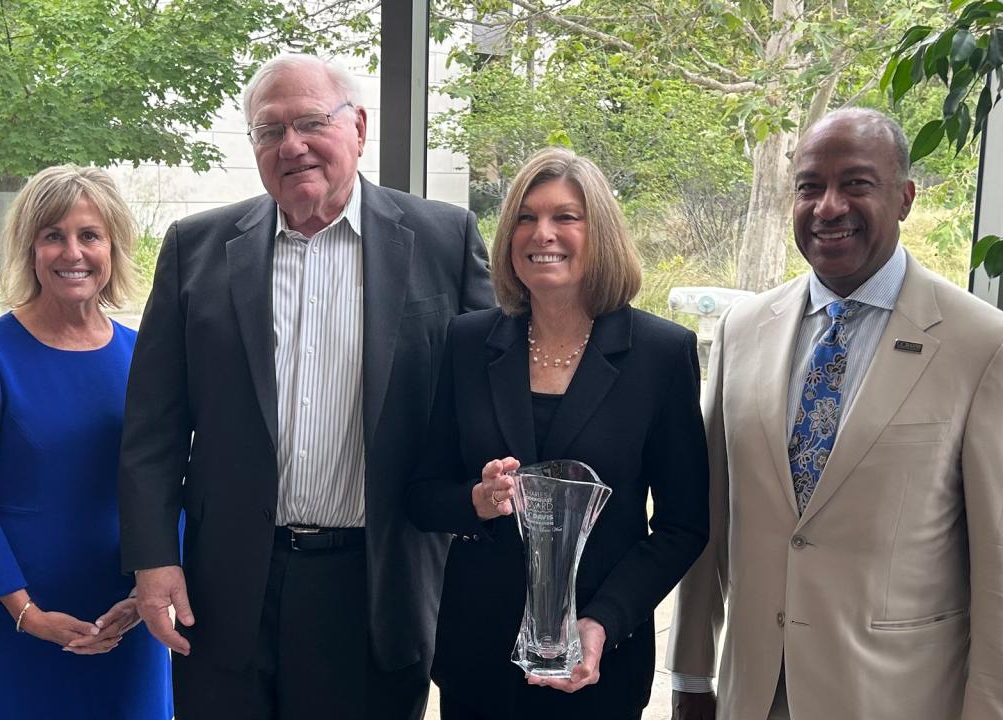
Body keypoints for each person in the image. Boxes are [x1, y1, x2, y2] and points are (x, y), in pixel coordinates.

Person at [118, 53, 493, 719]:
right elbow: (153, 429)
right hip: (228, 586)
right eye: (269, 131)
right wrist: (152, 561)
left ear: (359, 128)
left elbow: (486, 399)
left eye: (311, 122)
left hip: (376, 583)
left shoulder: (443, 239)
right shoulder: (194, 249)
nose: (291, 145)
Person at [668, 108, 1003, 720]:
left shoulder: (981, 344)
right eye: (809, 186)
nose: (828, 206)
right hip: (755, 690)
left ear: (904, 198)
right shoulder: (742, 330)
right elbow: (710, 518)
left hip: (898, 696)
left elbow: (998, 562)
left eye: (856, 183)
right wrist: (692, 673)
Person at [406, 147, 709, 719]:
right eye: (525, 216)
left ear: (601, 233)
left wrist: (605, 621)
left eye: (565, 217)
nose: (542, 233)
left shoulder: (660, 354)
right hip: (479, 660)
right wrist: (476, 500)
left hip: (598, 661)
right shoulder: (469, 343)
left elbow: (682, 525)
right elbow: (423, 495)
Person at [0, 165, 172, 719]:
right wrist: (29, 615)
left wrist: (138, 599)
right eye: (52, 235)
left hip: (121, 615)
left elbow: (168, 484)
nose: (71, 252)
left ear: (113, 248)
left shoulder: (144, 355)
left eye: (89, 235)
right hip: (8, 619)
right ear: (30, 248)